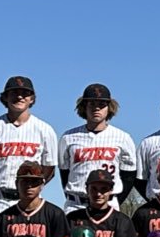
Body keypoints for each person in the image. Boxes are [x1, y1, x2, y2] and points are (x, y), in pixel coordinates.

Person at [0, 75, 59, 231]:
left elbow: (49, 170)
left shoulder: (45, 130)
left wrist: (31, 190)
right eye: (14, 93)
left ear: (32, 99)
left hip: (29, 202)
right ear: (5, 97)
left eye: (25, 93)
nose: (19, 97)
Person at [58, 83, 138, 213]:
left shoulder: (123, 138)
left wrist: (115, 198)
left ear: (109, 107)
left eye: (101, 104)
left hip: (109, 204)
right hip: (76, 204)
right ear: (84, 107)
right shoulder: (68, 137)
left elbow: (129, 175)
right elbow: (65, 173)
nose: (96, 108)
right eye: (91, 104)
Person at [67, 169, 142, 237]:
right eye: (94, 188)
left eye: (104, 189)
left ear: (111, 190)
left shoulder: (122, 220)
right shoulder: (73, 218)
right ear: (86, 189)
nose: (98, 193)